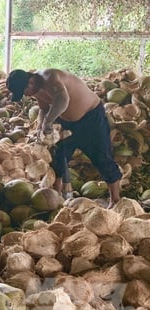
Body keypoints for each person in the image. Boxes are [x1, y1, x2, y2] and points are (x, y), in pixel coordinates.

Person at [7, 68, 122, 208]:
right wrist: (40, 128)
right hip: (67, 122)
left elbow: (63, 99)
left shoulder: (50, 77)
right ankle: (57, 195)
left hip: (92, 118)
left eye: (24, 92)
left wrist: (49, 121)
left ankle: (115, 200)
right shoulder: (36, 89)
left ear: (30, 82)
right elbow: (43, 109)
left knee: (102, 157)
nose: (25, 95)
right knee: (59, 156)